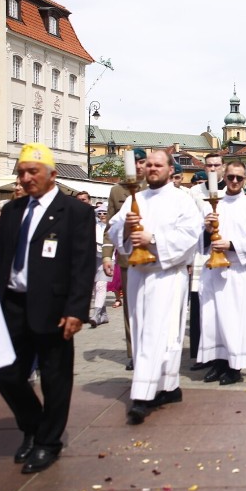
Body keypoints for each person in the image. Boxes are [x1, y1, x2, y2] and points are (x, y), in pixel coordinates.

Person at [0, 143, 96, 473]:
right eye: (21, 172)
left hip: (53, 307)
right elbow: (0, 262)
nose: (24, 178)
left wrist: (77, 309)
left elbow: (82, 264)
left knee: (55, 377)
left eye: (32, 172)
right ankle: (33, 426)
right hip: (12, 305)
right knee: (6, 374)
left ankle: (48, 442)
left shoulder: (75, 212)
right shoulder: (12, 211)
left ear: (52, 175)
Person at [108, 150, 203, 425]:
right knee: (141, 331)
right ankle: (168, 386)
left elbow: (191, 235)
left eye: (157, 165)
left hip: (167, 274)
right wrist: (125, 228)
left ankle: (143, 395)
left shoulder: (182, 199)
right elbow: (114, 228)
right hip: (139, 274)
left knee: (160, 332)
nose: (151, 168)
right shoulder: (135, 198)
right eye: (147, 164)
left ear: (170, 169)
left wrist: (154, 238)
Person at [197, 161, 246, 386]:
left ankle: (234, 367)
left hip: (239, 272)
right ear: (223, 178)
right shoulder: (211, 204)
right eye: (230, 177)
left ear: (245, 179)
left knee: (236, 321)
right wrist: (207, 231)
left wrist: (231, 244)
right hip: (214, 271)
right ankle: (217, 362)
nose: (234, 181)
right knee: (214, 320)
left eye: (239, 178)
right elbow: (198, 241)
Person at [102, 147, 148, 371]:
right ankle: (133, 352)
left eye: (142, 162)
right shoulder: (117, 190)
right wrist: (106, 255)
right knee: (130, 308)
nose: (138, 166)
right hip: (128, 257)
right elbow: (110, 226)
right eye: (135, 162)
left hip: (151, 256)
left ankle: (151, 348)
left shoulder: (154, 187)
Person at [187, 155, 225, 370]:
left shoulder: (229, 190)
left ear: (223, 167)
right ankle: (200, 354)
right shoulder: (194, 193)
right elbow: (189, 224)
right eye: (208, 165)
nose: (212, 169)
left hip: (223, 252)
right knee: (199, 304)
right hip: (200, 253)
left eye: (216, 165)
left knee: (219, 303)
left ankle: (219, 352)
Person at [89, 205, 112, 328]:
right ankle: (103, 315)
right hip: (93, 258)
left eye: (104, 213)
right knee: (94, 286)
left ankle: (96, 314)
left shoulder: (111, 226)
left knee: (101, 285)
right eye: (100, 213)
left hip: (107, 259)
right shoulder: (93, 226)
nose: (102, 215)